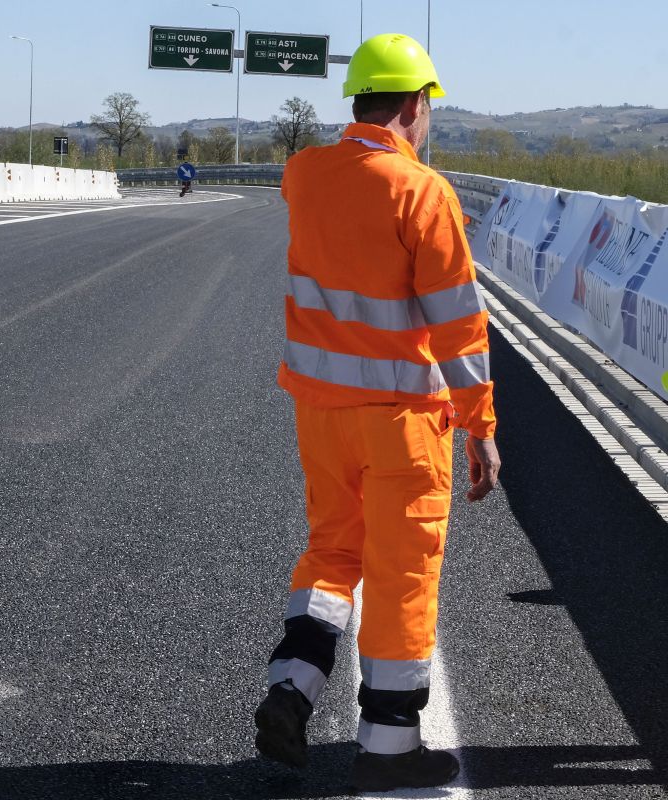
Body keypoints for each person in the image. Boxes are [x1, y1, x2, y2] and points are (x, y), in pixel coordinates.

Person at [253, 32, 501, 792]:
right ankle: (390, 746)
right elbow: (459, 325)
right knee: (402, 573)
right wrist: (481, 428)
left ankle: (294, 682)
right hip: (403, 420)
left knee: (333, 552)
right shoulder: (423, 193)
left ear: (358, 100)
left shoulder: (305, 173)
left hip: (323, 414)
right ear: (415, 106)